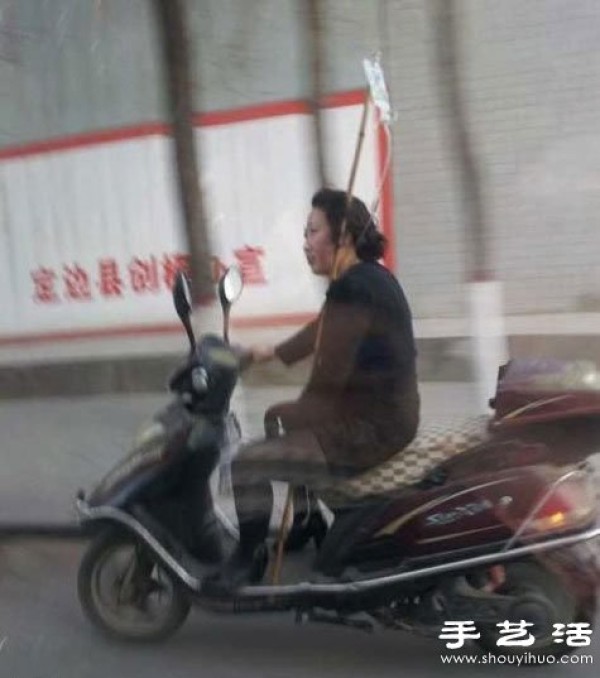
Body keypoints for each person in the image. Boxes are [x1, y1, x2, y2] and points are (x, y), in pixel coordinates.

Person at [204, 187, 420, 594]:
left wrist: (301, 414)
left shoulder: (352, 288)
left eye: (312, 232)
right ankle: (307, 518)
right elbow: (321, 330)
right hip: (384, 415)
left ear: (343, 234)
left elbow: (327, 381)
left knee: (245, 462)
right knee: (278, 417)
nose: (305, 243)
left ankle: (248, 559)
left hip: (369, 428)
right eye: (305, 233)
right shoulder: (367, 278)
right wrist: (262, 352)